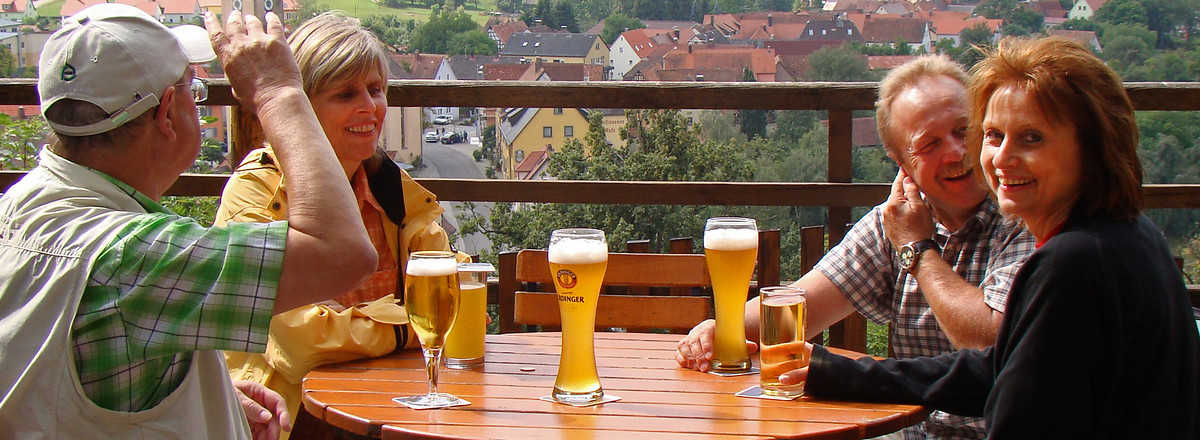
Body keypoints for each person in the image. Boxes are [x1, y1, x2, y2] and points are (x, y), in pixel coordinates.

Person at [787, 36, 1200, 438]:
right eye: (994, 135)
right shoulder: (1124, 234)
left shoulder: (1073, 261)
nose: (1001, 158)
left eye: (1032, 138)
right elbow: (1001, 367)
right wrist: (832, 371)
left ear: (1094, 146)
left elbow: (1014, 399)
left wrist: (919, 252)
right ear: (901, 165)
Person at [0, 5, 377, 439]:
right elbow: (344, 253)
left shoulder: (21, 208)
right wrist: (278, 93)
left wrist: (203, 392)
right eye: (191, 91)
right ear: (166, 114)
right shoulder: (135, 257)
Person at [676, 54, 1035, 439]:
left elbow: (993, 342)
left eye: (964, 131)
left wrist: (917, 249)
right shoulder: (896, 221)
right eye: (929, 144)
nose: (955, 152)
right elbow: (799, 308)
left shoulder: (1025, 212)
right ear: (901, 164)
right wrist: (721, 328)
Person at [216, 12, 464, 432]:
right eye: (345, 94)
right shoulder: (260, 191)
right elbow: (298, 345)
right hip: (291, 419)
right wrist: (405, 326)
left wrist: (350, 322)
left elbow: (451, 304)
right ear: (302, 109)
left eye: (375, 90)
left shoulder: (394, 190)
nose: (369, 107)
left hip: (394, 407)